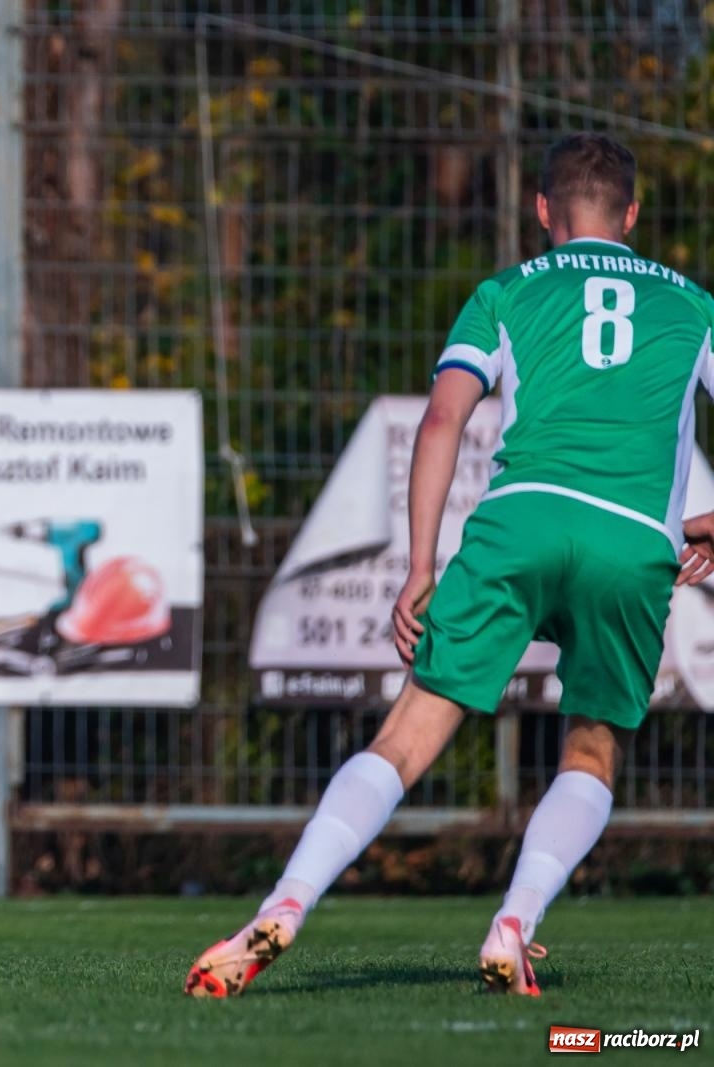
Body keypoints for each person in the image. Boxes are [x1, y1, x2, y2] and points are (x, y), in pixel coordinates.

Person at [186, 132, 714, 998]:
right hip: (630, 543)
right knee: (591, 747)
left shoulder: (504, 292)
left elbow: (442, 424)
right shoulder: (693, 306)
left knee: (405, 737)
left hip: (517, 522)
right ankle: (516, 917)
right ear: (633, 214)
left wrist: (420, 563)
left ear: (543, 212)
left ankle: (284, 902)